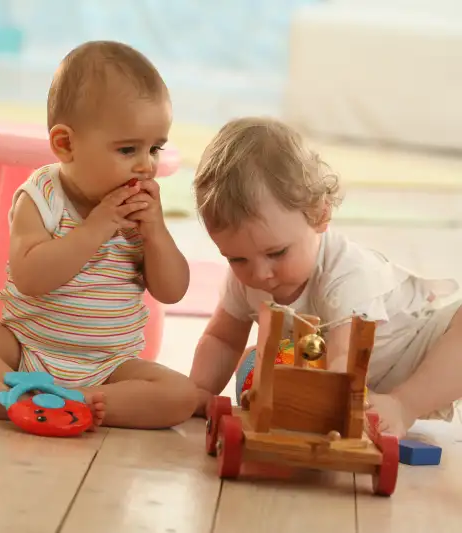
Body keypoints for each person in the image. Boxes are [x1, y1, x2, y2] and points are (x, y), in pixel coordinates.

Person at [0, 41, 199, 430]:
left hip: (110, 366)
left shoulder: (141, 211)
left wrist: (156, 235)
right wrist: (96, 228)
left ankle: (75, 402)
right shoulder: (42, 195)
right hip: (25, 350)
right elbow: (31, 277)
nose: (145, 165)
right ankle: (19, 391)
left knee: (181, 396)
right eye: (127, 149)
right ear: (65, 144)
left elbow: (172, 290)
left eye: (154, 148)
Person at [188, 116, 462, 437]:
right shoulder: (245, 279)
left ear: (319, 215)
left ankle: (404, 406)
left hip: (420, 349)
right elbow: (222, 339)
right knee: (255, 360)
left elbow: (345, 357)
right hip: (342, 372)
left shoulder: (346, 272)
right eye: (236, 258)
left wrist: (331, 408)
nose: (260, 274)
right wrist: (199, 391)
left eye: (277, 253)